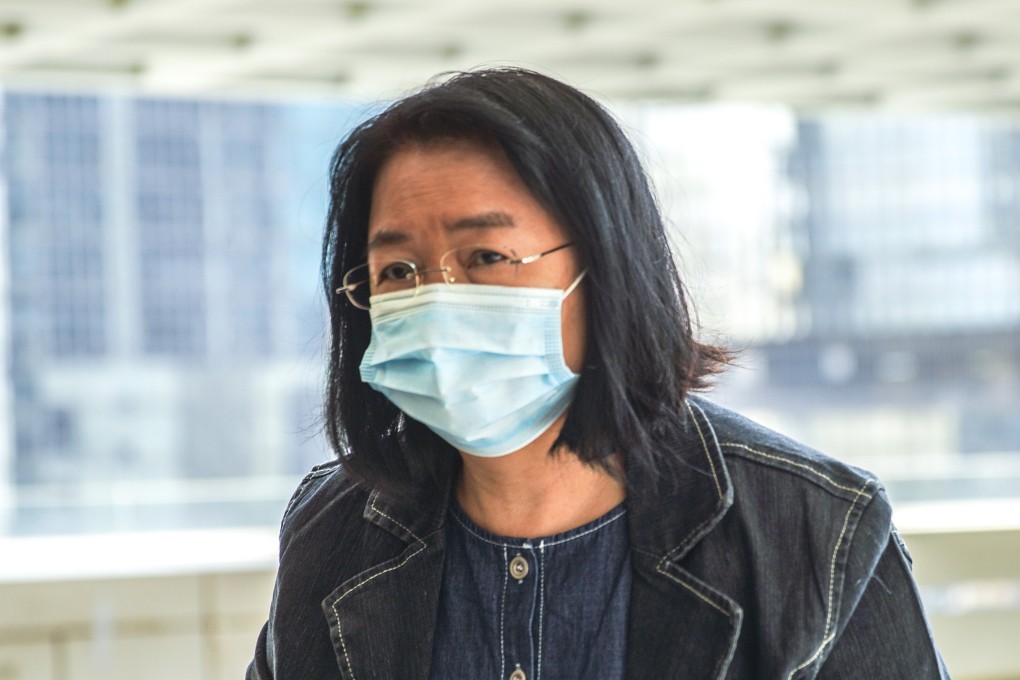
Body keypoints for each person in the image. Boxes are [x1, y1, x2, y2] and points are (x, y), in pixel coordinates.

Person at [247, 68, 949, 679]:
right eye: (397, 271)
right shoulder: (330, 529)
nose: (438, 298)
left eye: (488, 256)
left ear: (605, 268)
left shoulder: (813, 531)